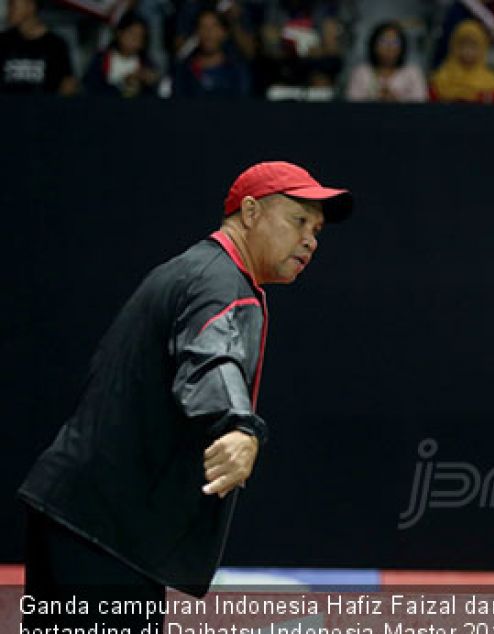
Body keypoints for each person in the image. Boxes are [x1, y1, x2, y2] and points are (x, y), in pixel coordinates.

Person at [18, 162, 353, 633]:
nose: (311, 240)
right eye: (298, 221)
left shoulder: (200, 270)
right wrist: (240, 426)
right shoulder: (220, 283)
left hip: (84, 519)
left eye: (317, 230)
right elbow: (213, 355)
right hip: (103, 531)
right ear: (251, 212)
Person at [0, 0, 77, 95]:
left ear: (30, 6)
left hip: (44, 108)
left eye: (13, 5)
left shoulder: (55, 45)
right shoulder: (3, 42)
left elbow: (68, 84)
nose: (8, 10)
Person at [174, 8, 251, 97]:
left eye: (214, 27)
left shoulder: (237, 70)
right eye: (203, 27)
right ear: (196, 32)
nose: (208, 33)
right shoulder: (185, 71)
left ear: (224, 33)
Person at [345, 20, 427, 102]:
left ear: (402, 47)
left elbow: (420, 103)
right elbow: (352, 103)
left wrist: (395, 99)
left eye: (395, 42)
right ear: (373, 45)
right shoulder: (362, 72)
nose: (389, 47)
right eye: (383, 41)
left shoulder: (412, 73)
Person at [83, 11, 161, 97]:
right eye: (132, 35)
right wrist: (122, 84)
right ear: (119, 33)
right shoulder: (101, 59)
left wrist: (152, 82)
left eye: (140, 37)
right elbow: (91, 91)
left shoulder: (146, 63)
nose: (136, 41)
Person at [429, 19, 494, 103]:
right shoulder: (439, 81)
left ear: (482, 48)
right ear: (454, 46)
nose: (467, 51)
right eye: (462, 44)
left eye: (473, 46)